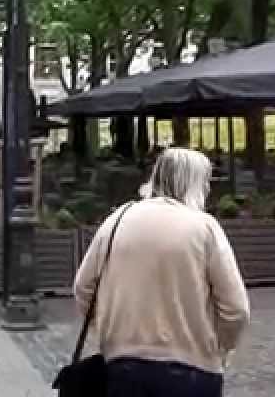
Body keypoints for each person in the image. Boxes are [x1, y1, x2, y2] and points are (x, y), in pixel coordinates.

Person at [74, 147, 249, 397]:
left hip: (124, 364)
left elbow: (83, 287)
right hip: (192, 367)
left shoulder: (117, 220)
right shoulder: (204, 228)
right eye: (206, 182)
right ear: (194, 184)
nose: (208, 189)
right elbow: (236, 308)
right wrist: (220, 347)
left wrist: (108, 331)